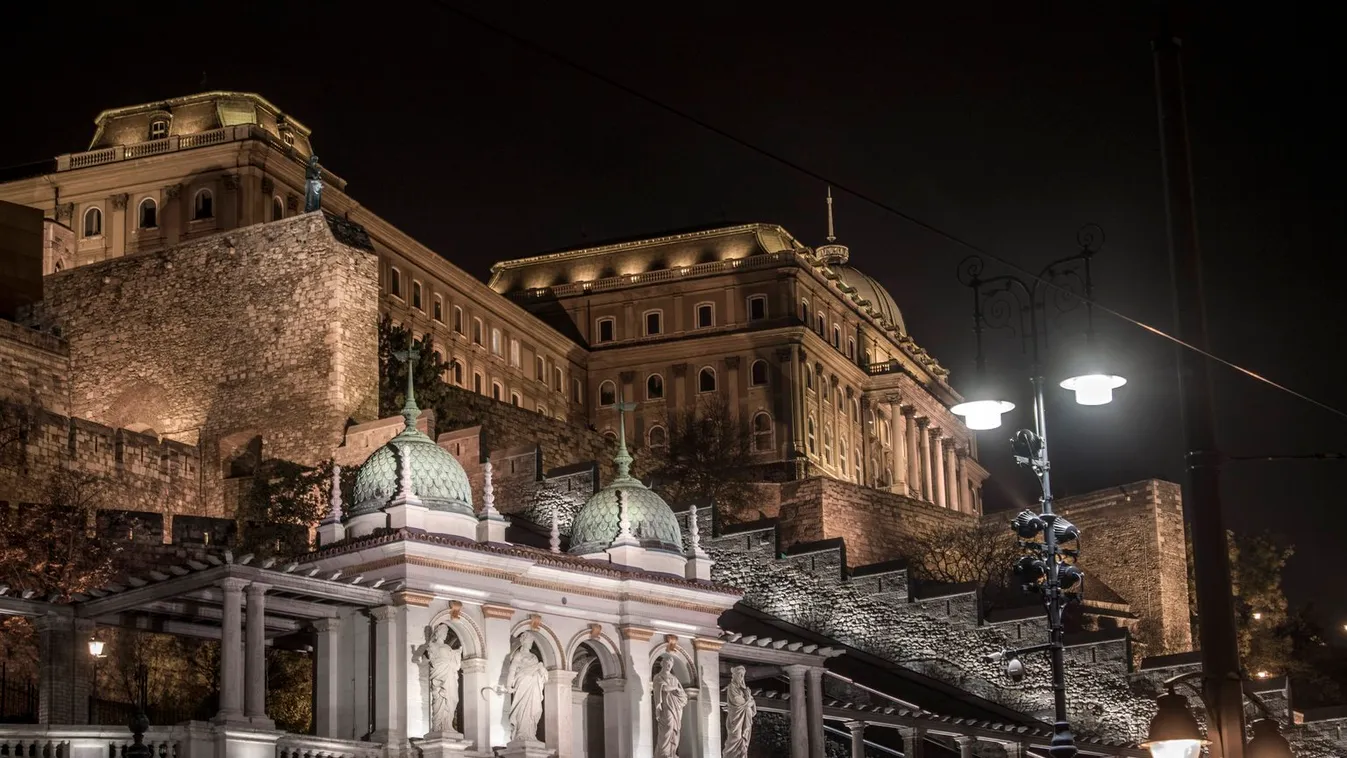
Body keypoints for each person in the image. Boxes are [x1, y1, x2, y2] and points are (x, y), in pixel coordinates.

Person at [506, 637, 547, 741]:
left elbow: (541, 673)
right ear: (523, 642)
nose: (530, 644)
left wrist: (541, 669)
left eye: (531, 642)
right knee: (522, 707)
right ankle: (521, 732)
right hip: (522, 683)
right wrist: (508, 685)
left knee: (534, 708)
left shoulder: (534, 657)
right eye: (529, 641)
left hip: (534, 685)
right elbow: (512, 669)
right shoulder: (518, 655)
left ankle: (530, 733)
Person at [652, 657, 688, 758]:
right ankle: (663, 753)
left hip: (675, 707)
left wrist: (677, 690)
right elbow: (663, 688)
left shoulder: (674, 678)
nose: (668, 666)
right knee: (667, 727)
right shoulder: (658, 677)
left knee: (674, 729)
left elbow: (683, 695)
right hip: (666, 706)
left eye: (670, 665)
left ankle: (672, 752)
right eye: (667, 664)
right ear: (662, 664)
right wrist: (674, 688)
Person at [723, 664, 756, 758]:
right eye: (739, 674)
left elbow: (752, 702)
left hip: (746, 716)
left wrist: (748, 698)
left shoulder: (745, 689)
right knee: (735, 737)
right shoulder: (731, 687)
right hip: (736, 716)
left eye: (742, 675)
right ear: (735, 675)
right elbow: (736, 700)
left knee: (744, 739)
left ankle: (742, 755)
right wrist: (748, 700)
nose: (741, 677)